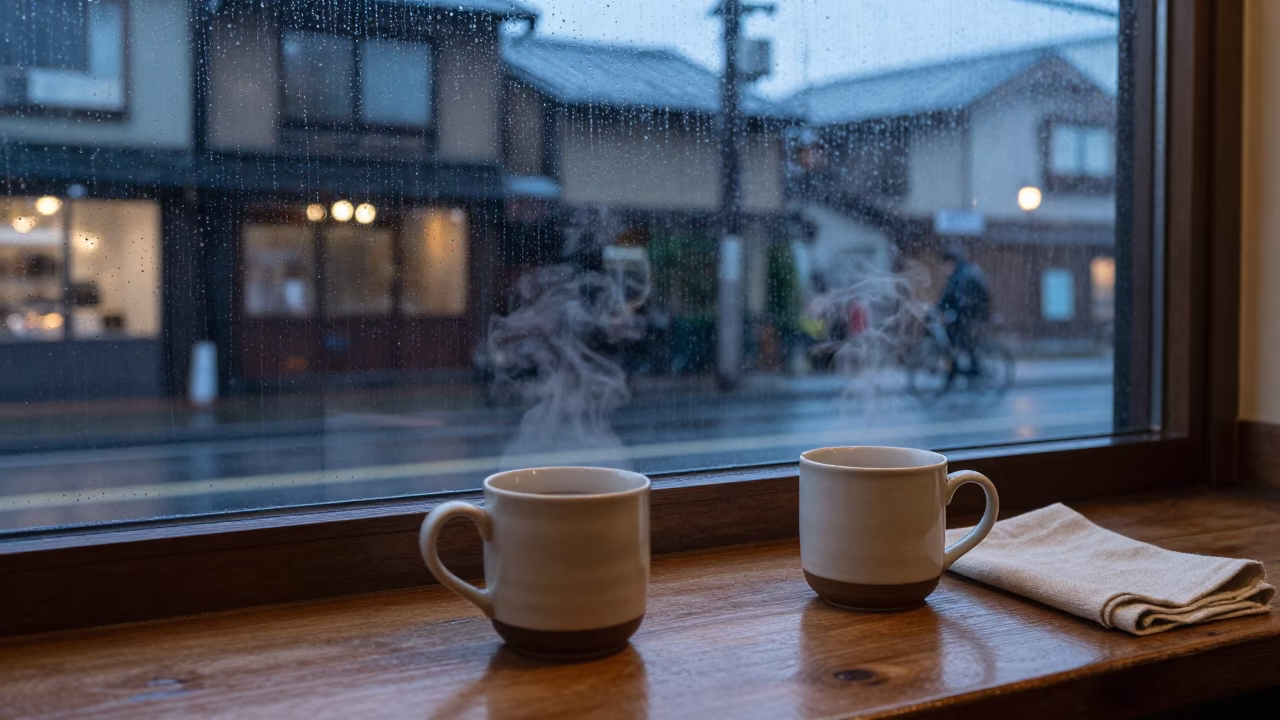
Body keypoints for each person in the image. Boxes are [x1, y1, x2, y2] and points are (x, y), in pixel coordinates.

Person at [937, 245, 992, 379]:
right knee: (953, 337)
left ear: (955, 261)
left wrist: (946, 310)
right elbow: (947, 296)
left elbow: (960, 299)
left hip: (974, 316)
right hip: (966, 314)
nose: (946, 267)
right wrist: (937, 308)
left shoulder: (965, 274)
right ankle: (955, 369)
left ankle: (972, 369)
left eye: (948, 262)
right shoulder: (957, 275)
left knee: (963, 338)